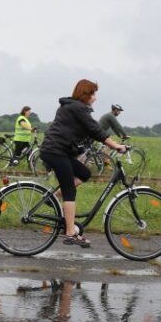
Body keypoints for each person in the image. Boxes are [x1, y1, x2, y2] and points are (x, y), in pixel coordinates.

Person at [39, 79, 127, 248]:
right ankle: (70, 232)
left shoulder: (72, 107)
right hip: (56, 152)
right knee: (69, 190)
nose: (95, 98)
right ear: (85, 94)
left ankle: (53, 197)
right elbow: (94, 129)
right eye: (93, 94)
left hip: (59, 151)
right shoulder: (77, 108)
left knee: (85, 174)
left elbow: (89, 131)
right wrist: (115, 146)